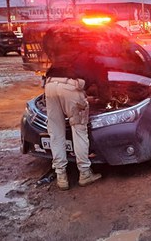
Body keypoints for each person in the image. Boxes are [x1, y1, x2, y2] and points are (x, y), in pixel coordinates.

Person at [41, 21, 109, 190]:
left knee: (55, 131)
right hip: (71, 87)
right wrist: (103, 99)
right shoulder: (93, 58)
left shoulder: (66, 50)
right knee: (79, 129)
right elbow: (103, 86)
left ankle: (61, 176)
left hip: (50, 85)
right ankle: (85, 174)